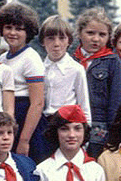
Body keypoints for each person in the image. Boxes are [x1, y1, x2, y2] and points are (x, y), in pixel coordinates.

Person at [72, 8, 121, 158]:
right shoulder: (72, 61)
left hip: (101, 128)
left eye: (102, 34)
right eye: (90, 33)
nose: (96, 39)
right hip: (73, 126)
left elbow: (118, 102)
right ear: (79, 33)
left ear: (109, 37)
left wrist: (114, 136)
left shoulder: (114, 63)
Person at [0, 2, 44, 158]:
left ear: (28, 32)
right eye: (8, 27)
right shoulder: (2, 58)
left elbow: (37, 103)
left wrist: (24, 140)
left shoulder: (31, 58)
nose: (12, 33)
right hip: (7, 117)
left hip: (26, 120)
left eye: (19, 29)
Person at [39, 15, 90, 164]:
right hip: (44, 125)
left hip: (67, 126)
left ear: (69, 41)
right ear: (43, 41)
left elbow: (84, 104)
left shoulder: (76, 69)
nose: (56, 44)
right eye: (50, 38)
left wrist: (84, 139)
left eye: (62, 38)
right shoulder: (39, 68)